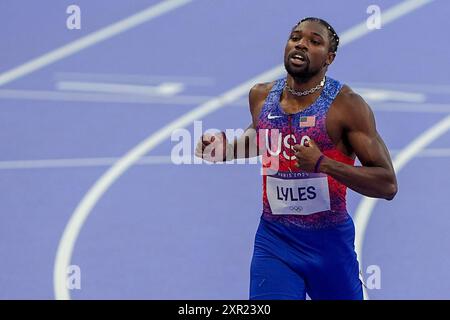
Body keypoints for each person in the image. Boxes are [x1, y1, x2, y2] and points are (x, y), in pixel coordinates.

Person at [195, 17, 397, 300]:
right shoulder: (261, 96)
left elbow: (387, 184)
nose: (301, 44)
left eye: (314, 42)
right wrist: (226, 149)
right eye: (295, 37)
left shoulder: (347, 107)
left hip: (330, 247)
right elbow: (264, 135)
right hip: (275, 241)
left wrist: (322, 163)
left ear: (329, 58)